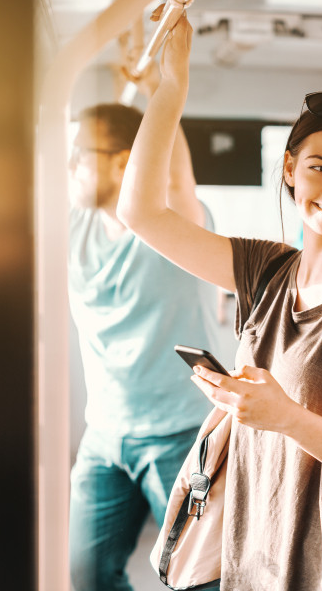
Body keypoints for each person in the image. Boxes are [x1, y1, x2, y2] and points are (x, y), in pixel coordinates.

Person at [116, 14, 322, 591]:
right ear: (290, 169)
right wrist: (171, 91)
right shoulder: (267, 270)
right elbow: (140, 213)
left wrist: (284, 416)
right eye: (319, 168)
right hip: (260, 552)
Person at [67, 101, 221, 590]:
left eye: (80, 155)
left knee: (195, 580)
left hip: (179, 436)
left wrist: (170, 88)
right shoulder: (74, 226)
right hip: (104, 437)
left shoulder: (174, 222)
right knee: (87, 576)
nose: (69, 167)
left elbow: (174, 181)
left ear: (122, 160)